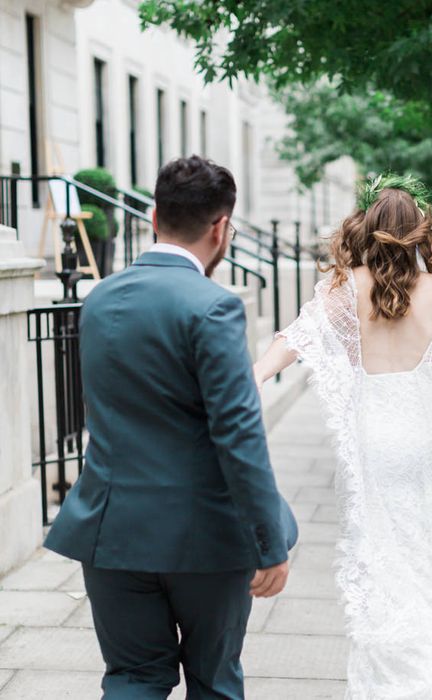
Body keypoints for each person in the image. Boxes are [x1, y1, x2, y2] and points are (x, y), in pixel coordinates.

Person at [45, 156, 298, 699]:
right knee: (214, 681)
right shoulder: (214, 308)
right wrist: (268, 541)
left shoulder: (99, 299)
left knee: (134, 678)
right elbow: (238, 435)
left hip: (111, 533)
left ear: (155, 215)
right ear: (221, 227)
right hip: (203, 539)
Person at [254, 173, 432, 699]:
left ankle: (394, 678)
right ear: (421, 233)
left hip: (378, 445)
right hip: (431, 445)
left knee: (388, 561)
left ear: (366, 229)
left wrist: (252, 376)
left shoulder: (346, 290)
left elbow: (294, 340)